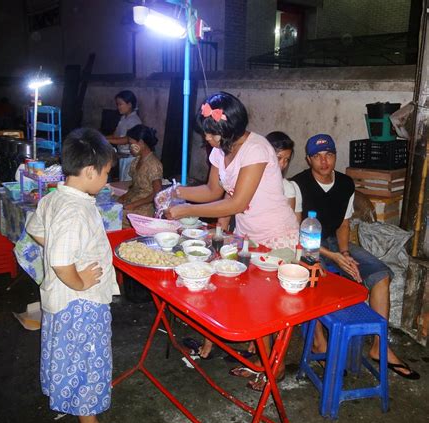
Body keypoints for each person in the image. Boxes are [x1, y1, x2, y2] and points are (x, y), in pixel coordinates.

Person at [165, 92, 298, 385]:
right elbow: (213, 191)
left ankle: (274, 368)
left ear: (232, 129)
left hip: (276, 235)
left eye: (213, 133)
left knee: (267, 304)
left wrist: (186, 209)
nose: (209, 139)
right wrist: (175, 191)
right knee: (253, 300)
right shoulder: (219, 150)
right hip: (247, 234)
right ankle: (263, 361)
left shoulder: (257, 149)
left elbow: (236, 203)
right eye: (207, 133)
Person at [26, 128, 136, 423]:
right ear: (89, 171)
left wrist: (62, 252)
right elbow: (61, 262)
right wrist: (79, 279)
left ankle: (75, 407)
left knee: (70, 358)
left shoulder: (56, 197)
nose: (106, 179)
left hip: (63, 300)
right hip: (80, 304)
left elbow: (36, 230)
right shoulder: (75, 211)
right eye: (105, 173)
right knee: (87, 363)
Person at [291, 133, 420, 380]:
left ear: (334, 156)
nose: (324, 161)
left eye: (328, 154)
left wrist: (346, 253)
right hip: (307, 244)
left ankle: (379, 347)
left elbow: (344, 224)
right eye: (317, 156)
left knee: (381, 275)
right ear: (309, 160)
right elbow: (295, 232)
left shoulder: (345, 184)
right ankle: (319, 342)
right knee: (311, 278)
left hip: (335, 242)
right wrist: (333, 257)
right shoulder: (297, 185)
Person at [117, 124, 163, 228]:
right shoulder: (136, 161)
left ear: (141, 143)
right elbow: (134, 186)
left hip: (145, 207)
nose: (129, 147)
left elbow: (158, 193)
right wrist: (123, 197)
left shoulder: (153, 165)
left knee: (114, 215)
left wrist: (134, 205)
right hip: (133, 201)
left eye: (131, 144)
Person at [106, 90, 142, 181]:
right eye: (117, 104)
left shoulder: (134, 120)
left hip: (131, 158)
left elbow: (127, 139)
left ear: (129, 104)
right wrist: (102, 137)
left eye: (120, 104)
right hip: (123, 157)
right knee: (122, 181)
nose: (118, 107)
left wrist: (107, 140)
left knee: (126, 183)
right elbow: (116, 135)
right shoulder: (123, 118)